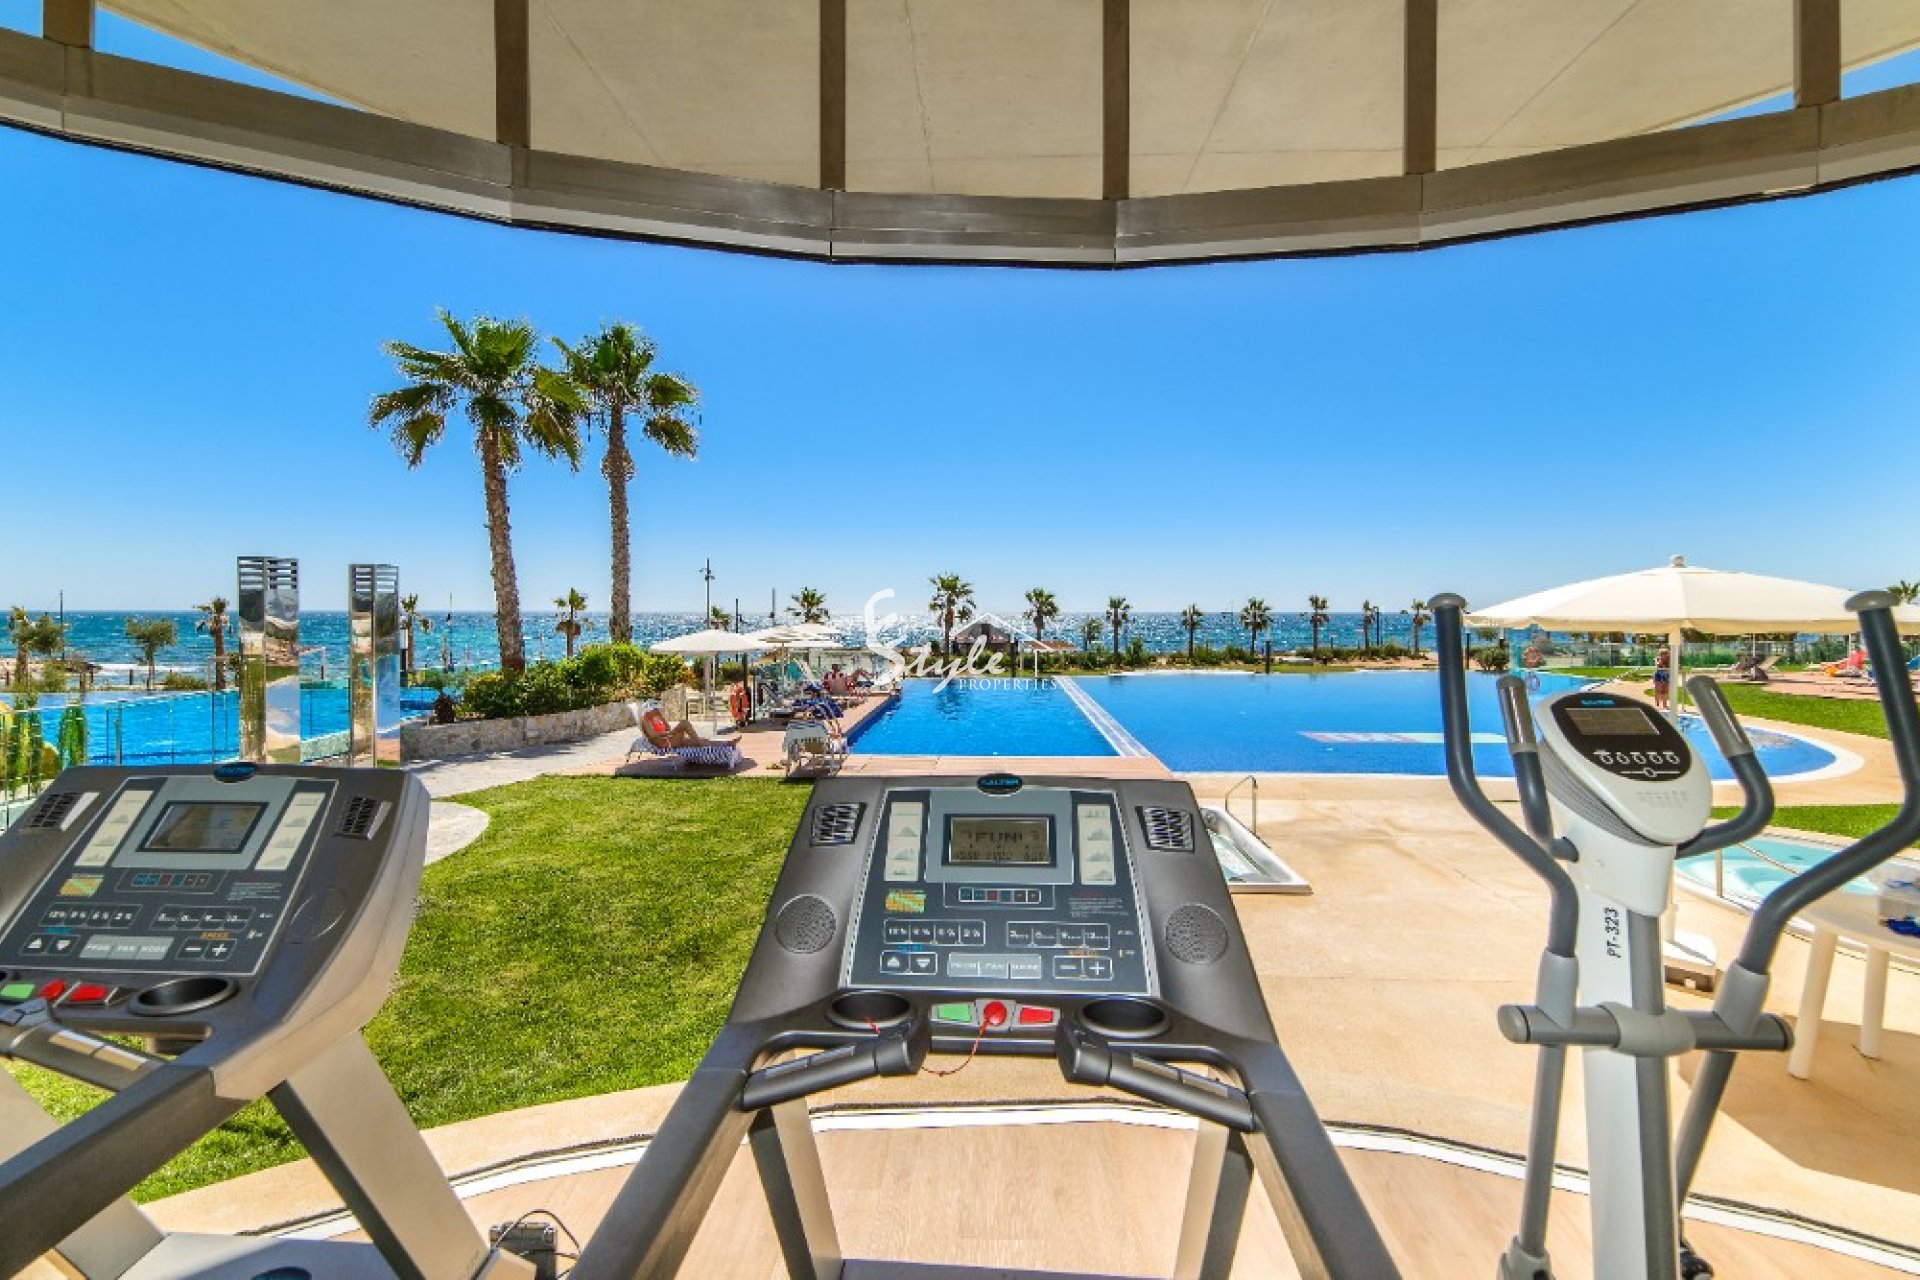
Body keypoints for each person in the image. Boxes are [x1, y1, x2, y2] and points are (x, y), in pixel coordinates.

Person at [1652, 646, 1672, 711]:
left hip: (1666, 677)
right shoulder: (1658, 660)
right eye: (1663, 654)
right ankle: (1657, 703)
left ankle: (1665, 705)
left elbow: (1673, 667)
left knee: (1665, 691)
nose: (1665, 655)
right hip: (1658, 677)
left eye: (1666, 654)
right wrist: (1659, 661)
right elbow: (1657, 666)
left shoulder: (1669, 661)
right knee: (1658, 690)